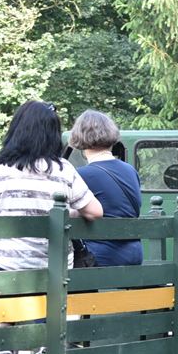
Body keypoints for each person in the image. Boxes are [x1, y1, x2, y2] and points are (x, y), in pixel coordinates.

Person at [0, 100, 102, 272]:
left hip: (3, 266)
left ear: (16, 130)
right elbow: (96, 211)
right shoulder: (63, 169)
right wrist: (65, 213)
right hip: (56, 271)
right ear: (53, 134)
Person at [69, 110, 144, 266]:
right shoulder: (130, 171)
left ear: (81, 138)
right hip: (135, 253)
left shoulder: (82, 175)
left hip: (99, 256)